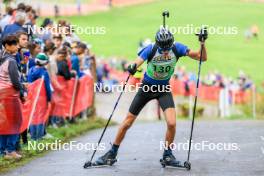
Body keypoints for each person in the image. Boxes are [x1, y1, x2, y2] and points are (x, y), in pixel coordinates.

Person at [94, 27, 208, 166]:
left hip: (163, 88)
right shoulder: (151, 49)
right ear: (158, 44)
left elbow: (202, 58)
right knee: (128, 122)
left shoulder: (177, 48)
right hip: (147, 87)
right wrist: (132, 67)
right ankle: (111, 153)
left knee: (172, 123)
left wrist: (202, 43)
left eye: (168, 48)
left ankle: (167, 155)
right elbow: (137, 61)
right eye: (163, 48)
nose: (166, 51)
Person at [0, 35, 24, 159]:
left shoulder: (1, 58)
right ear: (7, 46)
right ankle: (10, 150)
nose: (18, 46)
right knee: (15, 122)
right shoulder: (11, 61)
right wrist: (22, 90)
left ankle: (3, 151)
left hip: (1, 94)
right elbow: (15, 81)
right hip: (10, 95)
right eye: (15, 44)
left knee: (3, 122)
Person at [27, 53, 52, 140]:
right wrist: (49, 98)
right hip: (41, 98)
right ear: (45, 63)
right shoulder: (44, 72)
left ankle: (33, 136)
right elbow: (47, 87)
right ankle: (39, 136)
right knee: (40, 116)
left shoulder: (30, 70)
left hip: (31, 96)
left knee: (33, 115)